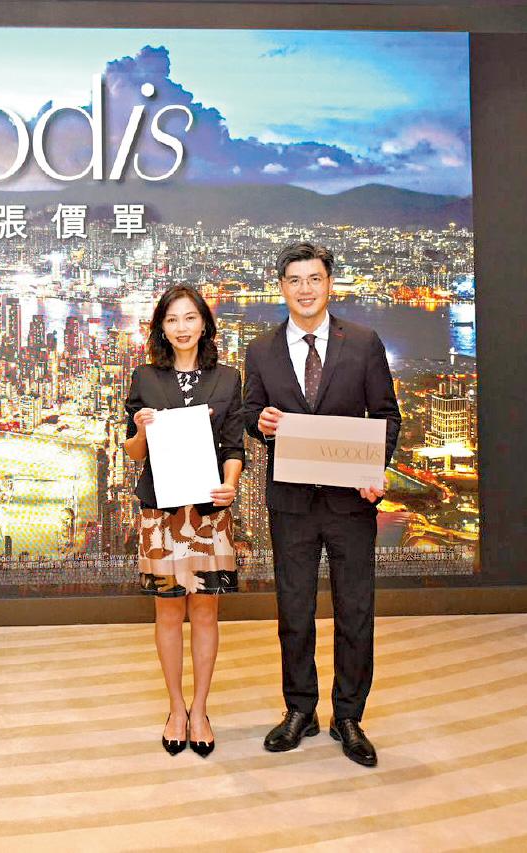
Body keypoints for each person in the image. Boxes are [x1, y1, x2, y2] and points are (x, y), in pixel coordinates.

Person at [243, 242, 401, 767]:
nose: (305, 289)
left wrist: (374, 468)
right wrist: (260, 422)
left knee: (355, 611)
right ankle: (300, 710)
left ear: (329, 284)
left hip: (350, 503)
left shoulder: (363, 342)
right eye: (294, 280)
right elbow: (249, 412)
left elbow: (387, 415)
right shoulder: (261, 349)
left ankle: (349, 716)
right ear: (281, 287)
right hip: (291, 502)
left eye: (314, 279)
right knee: (294, 611)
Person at [124, 284, 244, 757]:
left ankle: (200, 709)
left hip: (209, 513)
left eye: (190, 318)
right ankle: (175, 707)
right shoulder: (145, 377)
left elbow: (233, 446)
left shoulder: (228, 378)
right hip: (162, 511)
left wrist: (230, 485)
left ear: (204, 324)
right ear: (161, 327)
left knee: (207, 612)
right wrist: (140, 429)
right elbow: (135, 452)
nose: (181, 327)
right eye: (172, 319)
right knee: (169, 611)